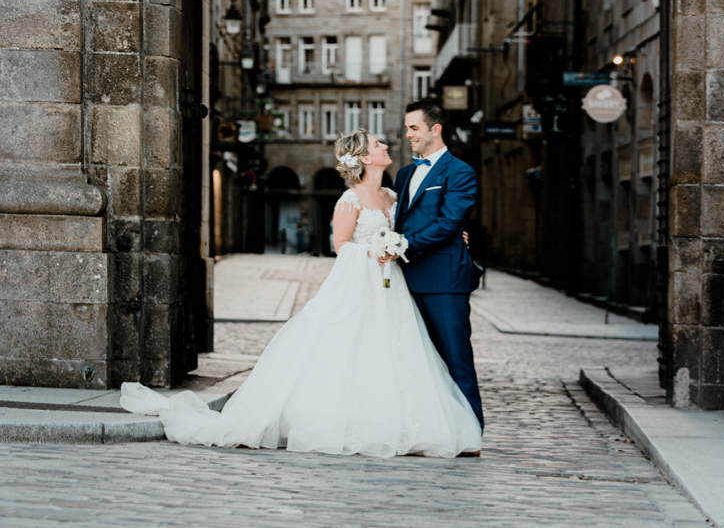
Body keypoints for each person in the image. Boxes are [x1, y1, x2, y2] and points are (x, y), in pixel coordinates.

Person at [119, 128, 481, 456]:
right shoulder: (349, 200)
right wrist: (374, 249)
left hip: (392, 284)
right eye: (377, 144)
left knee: (396, 348)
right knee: (352, 347)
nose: (386, 145)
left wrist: (447, 236)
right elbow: (340, 245)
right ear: (365, 158)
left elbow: (419, 226)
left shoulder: (393, 194)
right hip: (360, 282)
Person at [395, 98, 485, 434]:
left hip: (444, 281)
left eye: (414, 128)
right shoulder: (405, 174)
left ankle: (470, 431)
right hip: (405, 279)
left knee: (455, 358)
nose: (408, 135)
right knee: (417, 361)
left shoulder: (460, 171)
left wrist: (404, 245)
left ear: (436, 129)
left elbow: (450, 223)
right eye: (406, 128)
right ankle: (427, 429)